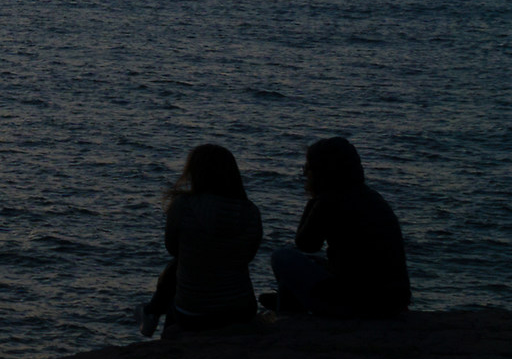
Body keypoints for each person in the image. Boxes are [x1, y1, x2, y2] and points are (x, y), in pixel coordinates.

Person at [271, 136, 410, 317]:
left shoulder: (329, 200)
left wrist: (314, 199)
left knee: (282, 256)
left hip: (358, 302)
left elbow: (306, 243)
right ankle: (287, 303)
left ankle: (289, 313)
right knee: (313, 263)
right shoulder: (372, 197)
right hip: (392, 300)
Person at [138, 143, 263, 338]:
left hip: (194, 312)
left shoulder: (182, 206)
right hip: (242, 310)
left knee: (177, 268)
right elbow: (248, 256)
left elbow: (173, 249)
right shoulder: (250, 211)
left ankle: (154, 317)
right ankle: (153, 311)